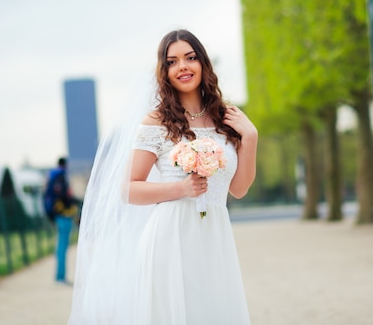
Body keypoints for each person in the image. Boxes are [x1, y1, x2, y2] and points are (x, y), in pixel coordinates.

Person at [68, 29, 258, 325]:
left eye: (190, 58)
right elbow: (128, 190)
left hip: (215, 236)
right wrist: (181, 188)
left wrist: (251, 137)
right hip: (171, 238)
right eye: (173, 61)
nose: (183, 66)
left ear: (203, 64)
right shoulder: (157, 122)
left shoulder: (227, 119)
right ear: (165, 71)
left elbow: (240, 189)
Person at [46, 157, 79, 284]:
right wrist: (73, 203)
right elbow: (64, 196)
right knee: (62, 246)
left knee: (60, 245)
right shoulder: (61, 177)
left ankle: (60, 275)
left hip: (57, 215)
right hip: (63, 215)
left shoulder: (52, 176)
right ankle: (60, 276)